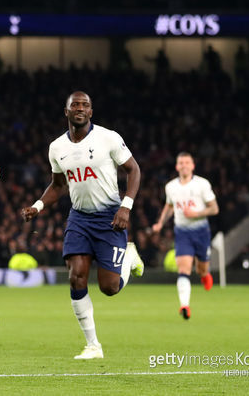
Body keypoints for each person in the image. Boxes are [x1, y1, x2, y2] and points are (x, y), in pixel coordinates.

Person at [21, 91, 143, 360]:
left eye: (85, 105)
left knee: (109, 288)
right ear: (66, 112)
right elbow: (58, 185)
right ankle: (93, 345)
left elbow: (133, 170)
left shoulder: (108, 138)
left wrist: (126, 206)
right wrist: (37, 206)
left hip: (109, 215)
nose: (80, 108)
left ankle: (129, 256)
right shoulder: (57, 147)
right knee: (76, 276)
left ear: (91, 112)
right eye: (74, 105)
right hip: (79, 218)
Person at [152, 152, 219, 320]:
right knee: (184, 269)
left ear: (193, 166)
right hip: (182, 232)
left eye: (187, 162)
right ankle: (184, 305)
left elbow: (214, 208)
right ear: (177, 166)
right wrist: (160, 223)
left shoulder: (202, 184)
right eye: (181, 163)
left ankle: (204, 274)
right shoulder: (170, 187)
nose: (184, 165)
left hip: (201, 231)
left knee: (201, 269)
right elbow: (169, 206)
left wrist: (197, 213)